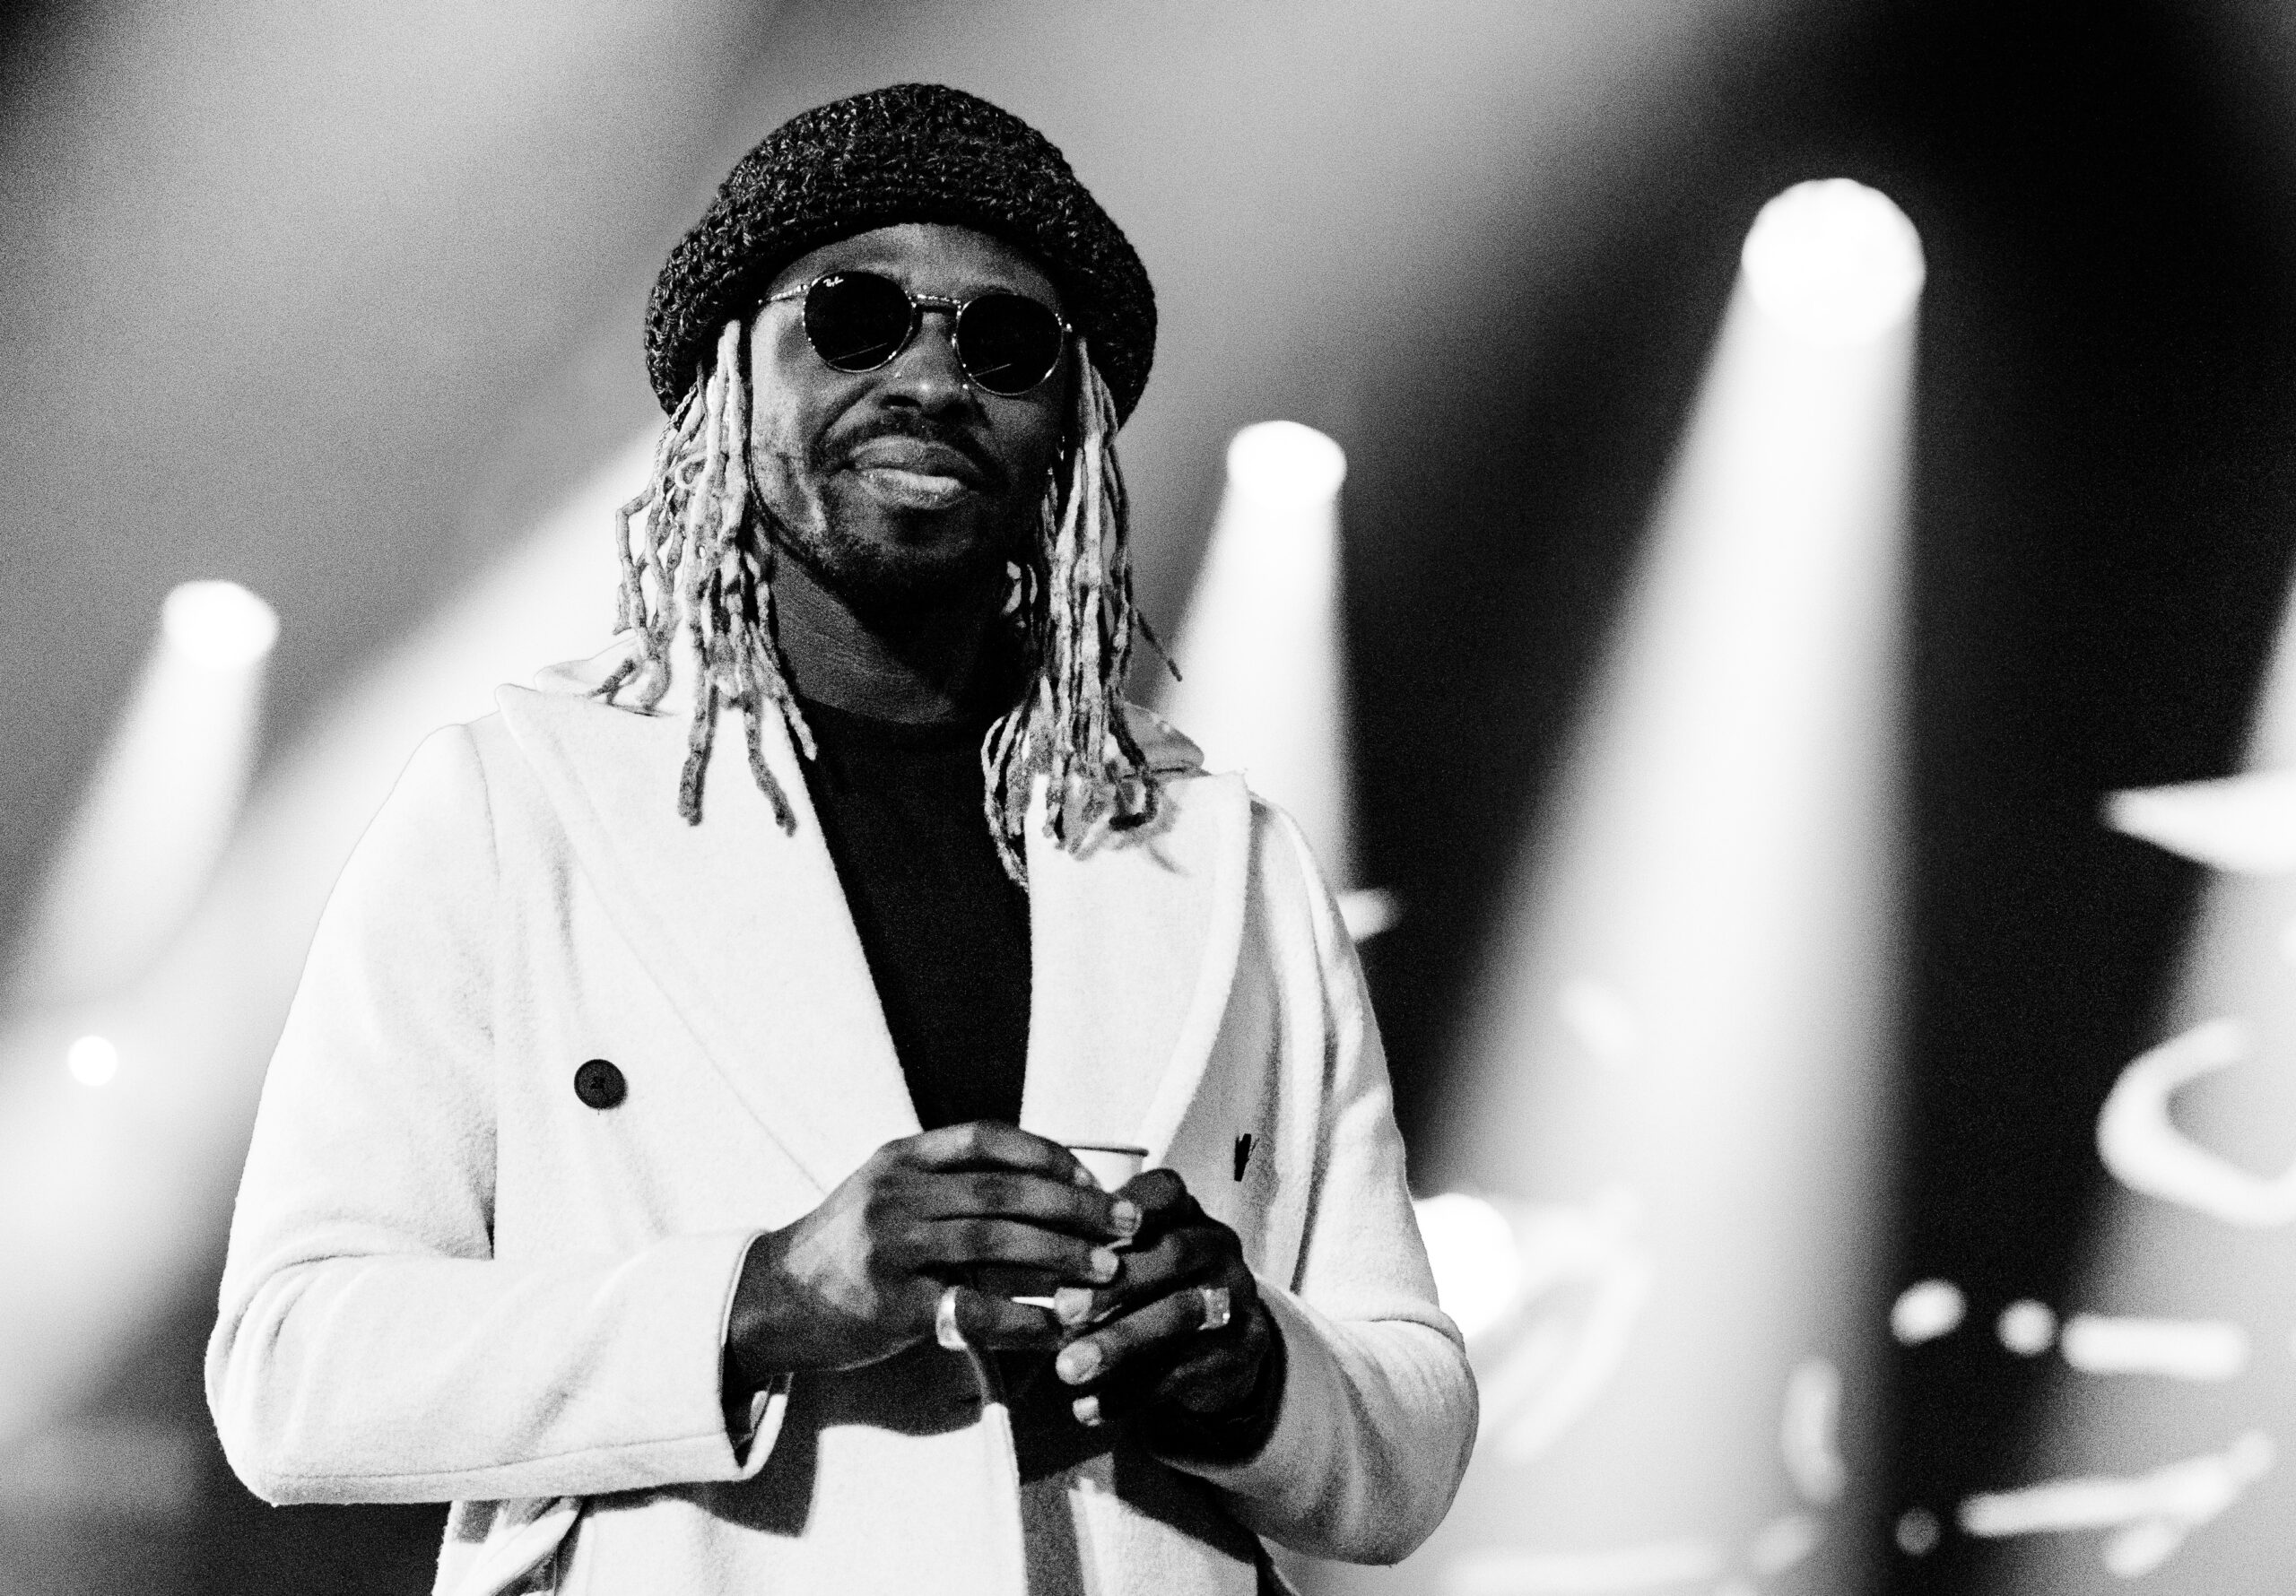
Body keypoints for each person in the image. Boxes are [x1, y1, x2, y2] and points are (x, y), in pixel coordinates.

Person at [205, 82, 1474, 1596]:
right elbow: (292, 1372)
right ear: (731, 376)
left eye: (1006, 343)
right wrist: (760, 1300)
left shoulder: (1223, 854)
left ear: (1069, 427)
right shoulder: (515, 802)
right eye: (855, 318)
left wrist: (1250, 1368)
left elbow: (1413, 1434)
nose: (931, 377)